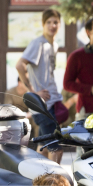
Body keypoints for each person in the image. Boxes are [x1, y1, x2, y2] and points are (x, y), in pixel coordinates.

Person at [16, 9, 64, 164]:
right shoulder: (38, 44)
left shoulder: (54, 45)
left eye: (55, 22)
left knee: (43, 148)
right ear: (43, 25)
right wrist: (33, 91)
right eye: (48, 22)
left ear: (59, 24)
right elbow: (19, 65)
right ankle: (55, 184)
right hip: (42, 106)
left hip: (50, 103)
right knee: (56, 148)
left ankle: (37, 183)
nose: (52, 25)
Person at [3, 77, 37, 145]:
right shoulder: (10, 92)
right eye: (26, 83)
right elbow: (7, 109)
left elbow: (33, 107)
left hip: (27, 117)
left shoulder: (29, 93)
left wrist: (30, 113)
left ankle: (38, 143)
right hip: (14, 117)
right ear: (19, 83)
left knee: (37, 121)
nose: (28, 85)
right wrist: (20, 115)